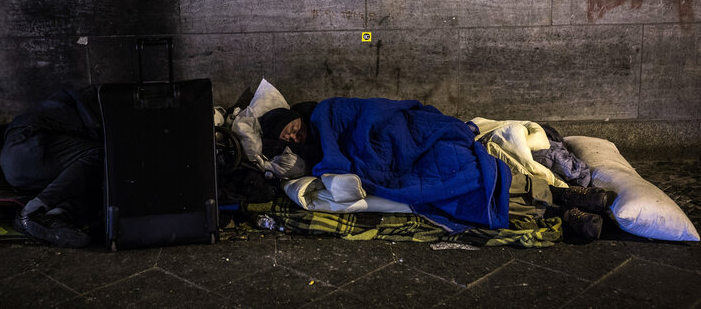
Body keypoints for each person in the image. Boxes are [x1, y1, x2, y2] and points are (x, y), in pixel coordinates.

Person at [258, 102, 611, 241]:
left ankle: (565, 197)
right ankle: (566, 212)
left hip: (413, 135)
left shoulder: (324, 112)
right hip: (395, 166)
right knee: (461, 186)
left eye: (287, 127)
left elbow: (375, 113)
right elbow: (338, 163)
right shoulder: (312, 151)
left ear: (295, 116)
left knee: (469, 163)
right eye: (285, 138)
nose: (291, 135)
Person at [0, 85, 103, 248]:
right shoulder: (91, 100)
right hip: (28, 145)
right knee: (100, 154)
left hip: (17, 164)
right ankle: (31, 211)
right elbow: (96, 126)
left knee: (88, 177)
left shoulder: (68, 102)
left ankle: (57, 216)